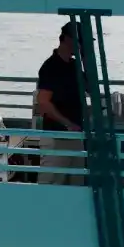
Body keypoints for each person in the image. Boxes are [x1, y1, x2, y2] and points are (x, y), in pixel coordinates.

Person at [33, 19, 85, 185]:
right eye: (81, 42)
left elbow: (90, 88)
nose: (83, 46)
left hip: (75, 135)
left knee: (76, 184)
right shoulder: (51, 67)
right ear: (68, 39)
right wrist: (67, 124)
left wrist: (85, 59)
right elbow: (43, 101)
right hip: (57, 137)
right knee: (52, 186)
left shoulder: (74, 66)